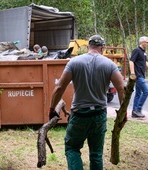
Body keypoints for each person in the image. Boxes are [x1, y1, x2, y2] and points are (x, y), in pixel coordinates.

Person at [48, 35, 125, 170]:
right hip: (99, 115)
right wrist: (123, 113)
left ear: (88, 46)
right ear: (102, 48)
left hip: (80, 115)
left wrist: (52, 108)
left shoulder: (74, 62)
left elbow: (60, 87)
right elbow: (121, 88)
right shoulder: (110, 65)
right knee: (96, 153)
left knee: (72, 148)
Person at [129, 36, 148, 118]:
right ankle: (138, 109)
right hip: (138, 75)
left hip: (142, 75)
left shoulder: (144, 52)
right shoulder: (137, 50)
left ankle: (134, 112)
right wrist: (132, 73)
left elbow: (145, 62)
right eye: (147, 42)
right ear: (142, 42)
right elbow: (131, 61)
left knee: (138, 93)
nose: (147, 44)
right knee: (146, 91)